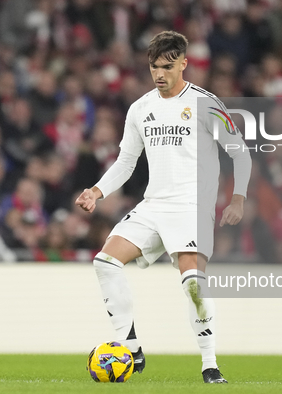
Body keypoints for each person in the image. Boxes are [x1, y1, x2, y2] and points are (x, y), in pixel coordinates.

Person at [74, 31, 251, 384]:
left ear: (184, 64)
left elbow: (239, 151)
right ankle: (132, 347)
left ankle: (209, 364)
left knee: (193, 285)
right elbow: (126, 162)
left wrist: (238, 197)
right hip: (154, 204)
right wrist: (96, 191)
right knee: (105, 263)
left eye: (167, 66)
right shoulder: (140, 108)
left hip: (192, 207)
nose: (160, 74)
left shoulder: (206, 102)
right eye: (154, 66)